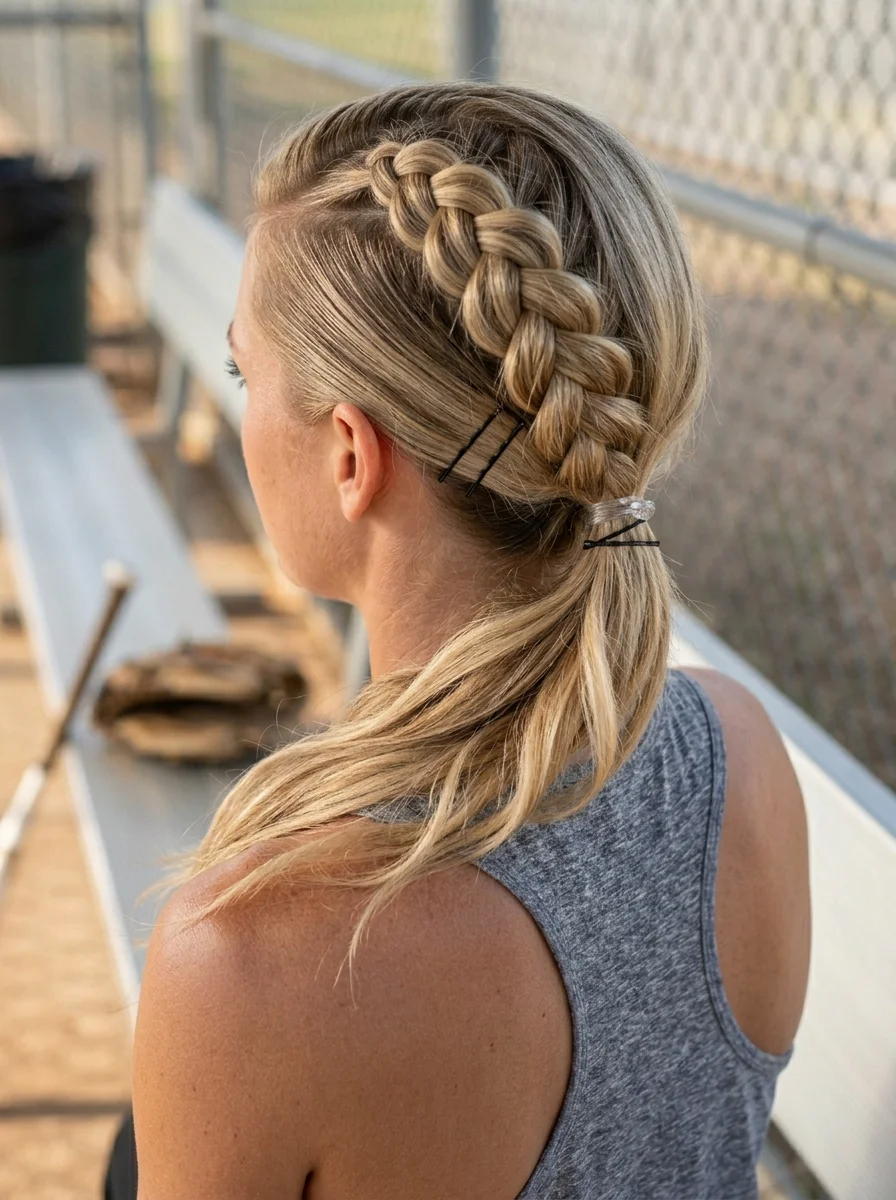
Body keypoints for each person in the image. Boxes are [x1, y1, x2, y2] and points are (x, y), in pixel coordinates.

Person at [113, 82, 811, 1199]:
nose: (242, 405)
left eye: (248, 374)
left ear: (351, 454)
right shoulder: (736, 759)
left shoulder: (257, 955)